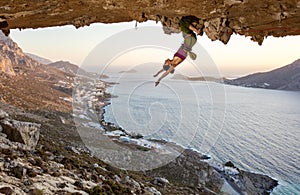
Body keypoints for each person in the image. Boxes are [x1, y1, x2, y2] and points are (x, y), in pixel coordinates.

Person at [154, 16, 201, 87]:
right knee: (182, 22)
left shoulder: (173, 60)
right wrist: (159, 80)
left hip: (188, 39)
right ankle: (197, 30)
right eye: (165, 63)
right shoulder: (174, 64)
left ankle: (197, 20)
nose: (165, 61)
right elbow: (166, 72)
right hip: (190, 40)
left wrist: (157, 73)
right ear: (168, 65)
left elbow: (163, 69)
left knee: (184, 23)